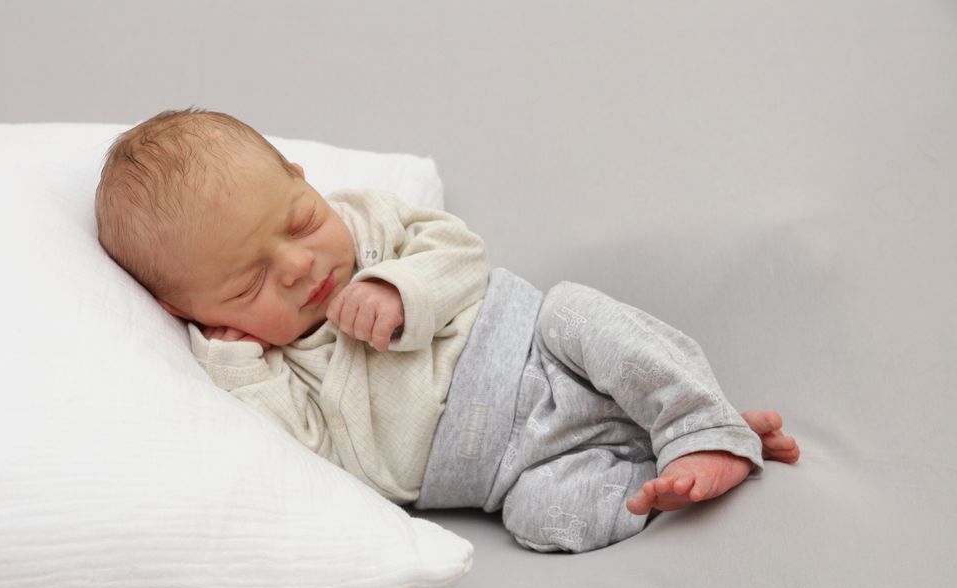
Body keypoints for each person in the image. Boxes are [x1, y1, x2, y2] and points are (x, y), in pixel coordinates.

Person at [95, 109, 800, 552]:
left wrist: (400, 287)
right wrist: (243, 372)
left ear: (299, 177)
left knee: (582, 313)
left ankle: (694, 422)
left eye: (300, 221)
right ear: (190, 311)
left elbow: (462, 252)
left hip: (544, 353)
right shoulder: (255, 367)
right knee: (540, 522)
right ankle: (673, 470)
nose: (299, 265)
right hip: (509, 471)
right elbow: (308, 454)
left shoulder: (367, 223)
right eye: (249, 283)